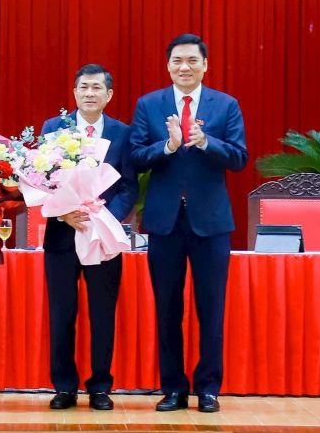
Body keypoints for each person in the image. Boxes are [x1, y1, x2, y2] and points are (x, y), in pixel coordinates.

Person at [128, 34, 247, 414]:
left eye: (192, 60)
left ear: (205, 65)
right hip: (165, 223)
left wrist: (205, 141)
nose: (184, 66)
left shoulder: (226, 106)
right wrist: (167, 146)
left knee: (211, 308)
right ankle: (174, 388)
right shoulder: (149, 105)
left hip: (211, 224)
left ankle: (209, 388)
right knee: (167, 309)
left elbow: (240, 157)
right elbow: (135, 157)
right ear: (168, 66)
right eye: (177, 60)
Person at [40, 64, 138, 411]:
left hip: (104, 238)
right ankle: (64, 387)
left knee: (102, 313)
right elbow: (41, 180)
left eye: (97, 87)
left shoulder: (123, 134)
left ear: (109, 95)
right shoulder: (53, 129)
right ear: (74, 92)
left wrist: (105, 214)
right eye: (83, 87)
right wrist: (62, 211)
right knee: (62, 313)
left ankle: (100, 386)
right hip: (62, 237)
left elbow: (129, 186)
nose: (89, 93)